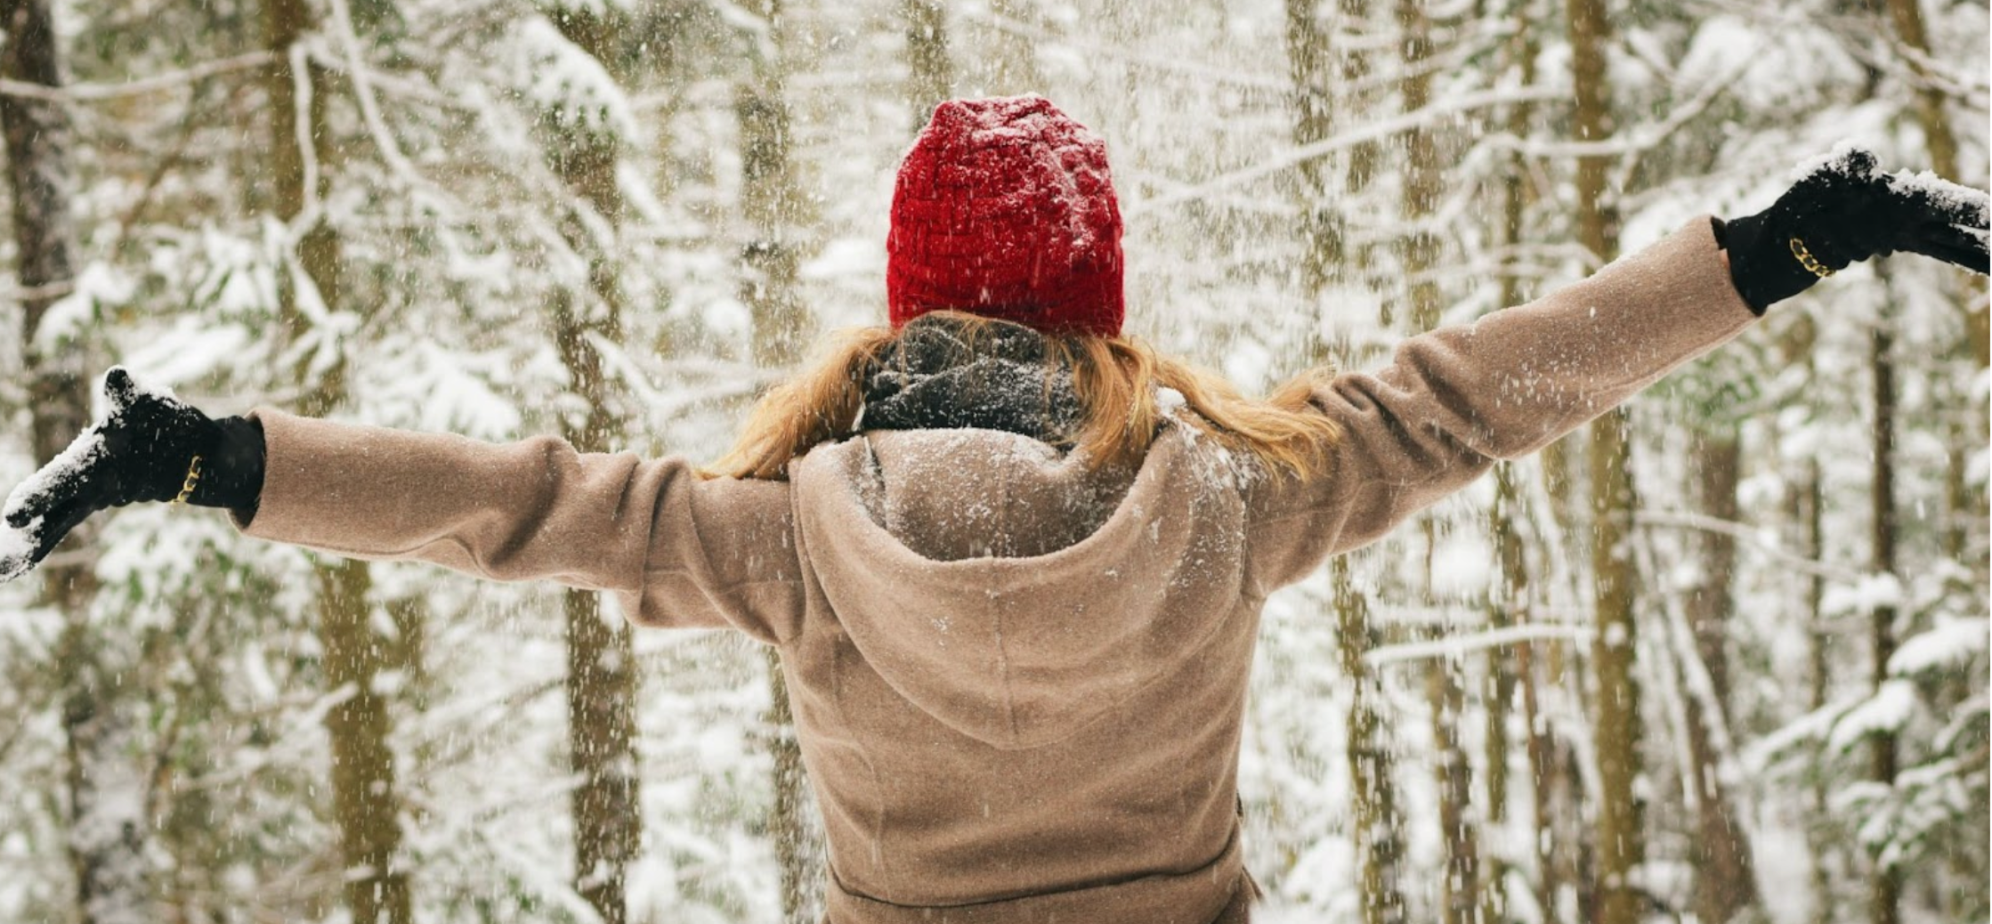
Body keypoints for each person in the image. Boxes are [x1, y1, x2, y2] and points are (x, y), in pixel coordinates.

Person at [1, 96, 1985, 923]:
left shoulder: (779, 539)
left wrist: (208, 458)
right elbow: (1492, 387)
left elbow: (523, 510)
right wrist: (1794, 239)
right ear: (1099, 302)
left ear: (905, 300)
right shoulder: (1235, 501)